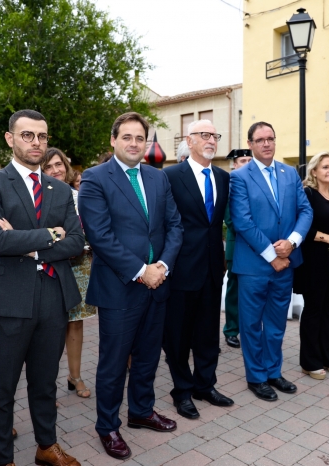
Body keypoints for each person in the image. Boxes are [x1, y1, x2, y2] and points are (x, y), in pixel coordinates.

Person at [0, 110, 84, 466]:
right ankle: (2, 459)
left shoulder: (62, 188)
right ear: (10, 139)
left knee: (44, 382)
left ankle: (45, 446)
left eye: (42, 136)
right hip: (6, 300)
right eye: (27, 135)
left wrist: (26, 242)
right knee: (1, 388)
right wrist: (52, 235)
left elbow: (78, 242)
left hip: (53, 297)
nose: (36, 142)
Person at [78, 112, 183, 461]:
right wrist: (141, 271)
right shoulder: (95, 179)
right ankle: (107, 426)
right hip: (120, 287)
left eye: (140, 138)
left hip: (158, 284)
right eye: (127, 137)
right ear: (113, 140)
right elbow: (100, 236)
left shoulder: (158, 178)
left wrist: (162, 266)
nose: (134, 144)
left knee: (148, 357)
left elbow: (174, 226)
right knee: (112, 362)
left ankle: (141, 411)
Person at [229, 121, 313, 401]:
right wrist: (271, 255)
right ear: (251, 144)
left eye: (270, 139)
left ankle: (273, 372)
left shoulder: (289, 174)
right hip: (254, 265)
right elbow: (242, 221)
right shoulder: (240, 177)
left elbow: (305, 211)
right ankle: (256, 377)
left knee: (277, 323)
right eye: (260, 139)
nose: (266, 143)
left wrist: (292, 242)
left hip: (286, 262)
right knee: (251, 324)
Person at [162, 120, 232, 419]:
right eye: (204, 135)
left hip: (213, 268)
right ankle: (182, 391)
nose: (211, 140)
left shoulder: (222, 177)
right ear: (188, 141)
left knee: (207, 333)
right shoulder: (170, 176)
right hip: (181, 268)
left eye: (214, 135)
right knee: (177, 336)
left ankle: (205, 385)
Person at [41, 147, 96, 399]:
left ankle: (75, 376)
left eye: (58, 165)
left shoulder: (79, 196)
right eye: (48, 167)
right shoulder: (36, 198)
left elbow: (91, 229)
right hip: (50, 266)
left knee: (75, 324)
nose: (55, 171)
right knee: (49, 328)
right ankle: (45, 387)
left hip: (80, 265)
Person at [294, 153, 329, 380]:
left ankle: (328, 355)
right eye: (325, 166)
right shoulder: (307, 194)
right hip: (314, 260)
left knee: (328, 310)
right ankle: (309, 361)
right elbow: (301, 226)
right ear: (314, 170)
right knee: (314, 310)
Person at [223, 149, 253, 349]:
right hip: (238, 245)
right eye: (243, 160)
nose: (247, 163)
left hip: (258, 248)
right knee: (235, 290)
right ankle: (232, 330)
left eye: (250, 160)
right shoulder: (230, 184)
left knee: (253, 292)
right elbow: (230, 219)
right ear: (235, 164)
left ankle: (250, 329)